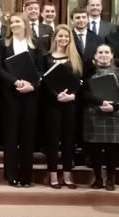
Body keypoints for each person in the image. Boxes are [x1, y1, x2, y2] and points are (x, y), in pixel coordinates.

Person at [0, 12, 42, 188]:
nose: (14, 24)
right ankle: (11, 174)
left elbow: (41, 70)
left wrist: (33, 85)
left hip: (30, 95)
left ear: (25, 24)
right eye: (12, 22)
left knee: (27, 136)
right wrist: (14, 81)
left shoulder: (35, 45)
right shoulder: (3, 44)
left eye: (17, 21)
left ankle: (26, 176)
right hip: (10, 95)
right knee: (11, 136)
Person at [41, 25, 83, 189]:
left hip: (70, 103)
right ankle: (53, 175)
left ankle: (67, 175)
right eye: (60, 36)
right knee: (52, 140)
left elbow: (80, 81)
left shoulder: (75, 58)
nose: (63, 39)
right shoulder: (47, 58)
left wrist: (72, 95)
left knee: (68, 140)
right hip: (52, 103)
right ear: (55, 38)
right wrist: (55, 95)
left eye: (66, 36)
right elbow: (45, 82)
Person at [82, 44, 119, 191]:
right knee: (94, 149)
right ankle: (98, 179)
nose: (103, 55)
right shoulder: (88, 72)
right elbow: (84, 93)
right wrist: (100, 102)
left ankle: (110, 179)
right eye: (100, 52)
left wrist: (114, 107)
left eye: (106, 52)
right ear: (95, 56)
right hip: (94, 112)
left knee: (111, 149)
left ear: (112, 55)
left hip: (114, 114)